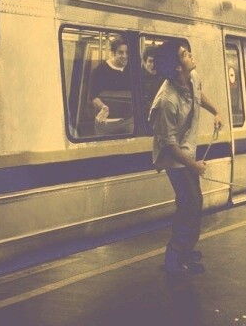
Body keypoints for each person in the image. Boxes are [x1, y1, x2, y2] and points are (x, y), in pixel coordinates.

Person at [149, 38, 223, 274]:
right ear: (177, 67)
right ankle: (174, 258)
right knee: (189, 205)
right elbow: (169, 145)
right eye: (184, 54)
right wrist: (194, 165)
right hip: (174, 158)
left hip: (188, 152)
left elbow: (198, 94)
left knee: (194, 202)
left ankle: (186, 251)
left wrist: (216, 111)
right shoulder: (166, 101)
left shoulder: (192, 76)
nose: (190, 54)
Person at [89, 36, 134, 136]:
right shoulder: (99, 71)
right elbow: (93, 97)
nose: (125, 56)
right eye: (120, 52)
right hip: (106, 124)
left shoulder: (131, 70)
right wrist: (103, 107)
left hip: (129, 122)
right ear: (113, 53)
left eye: (127, 53)